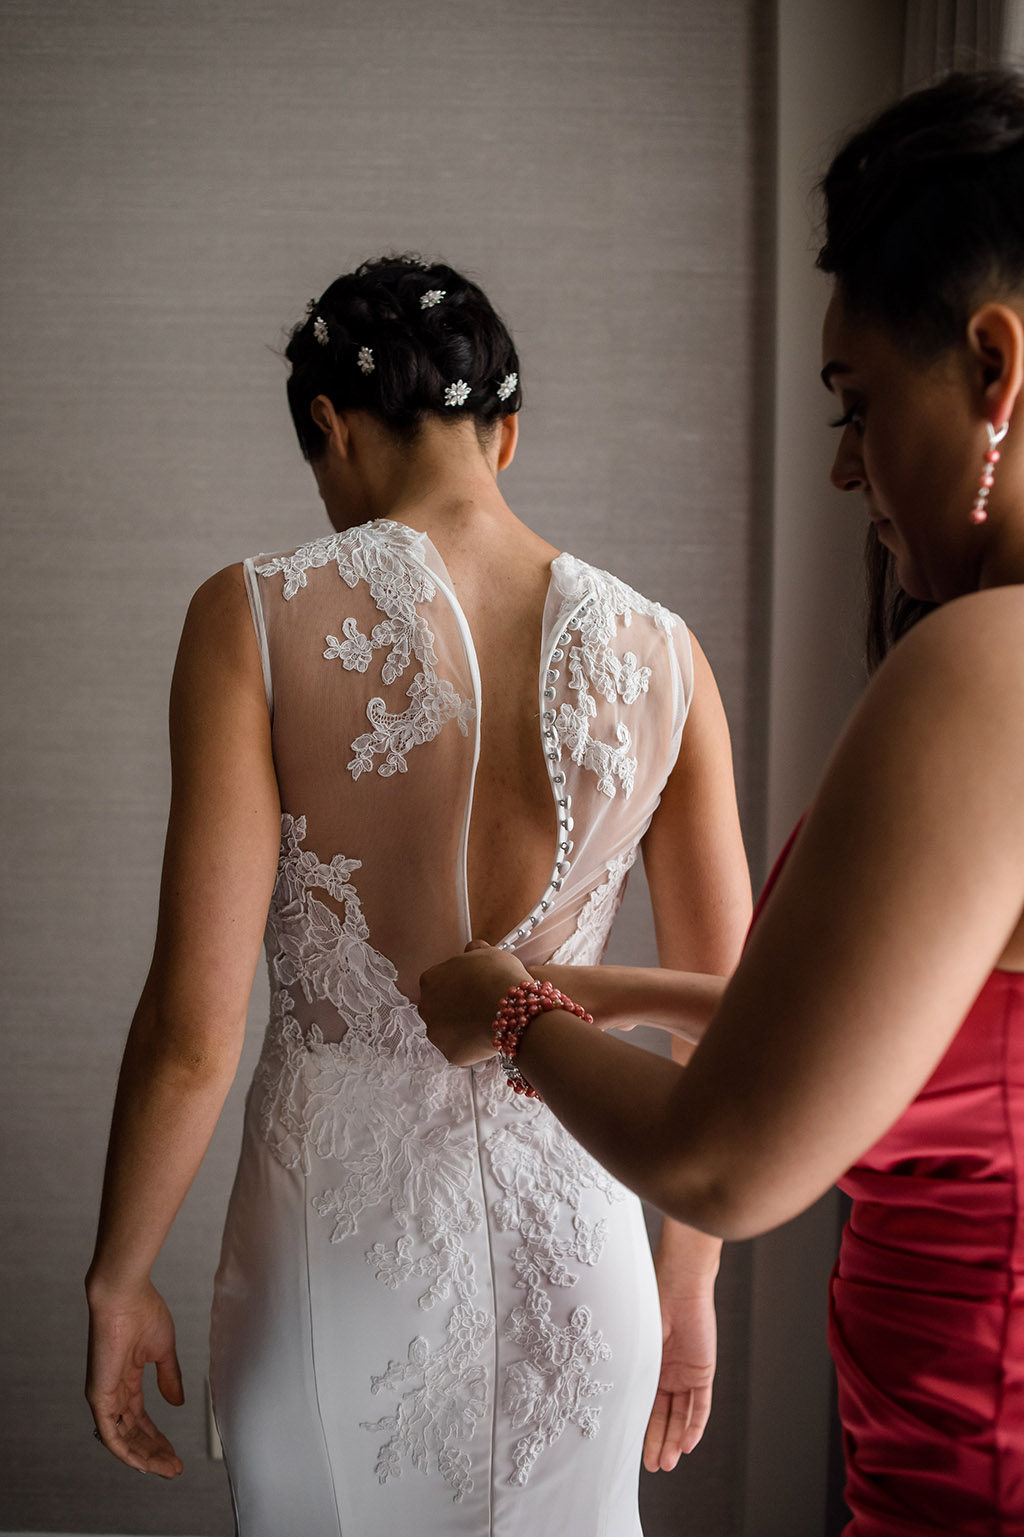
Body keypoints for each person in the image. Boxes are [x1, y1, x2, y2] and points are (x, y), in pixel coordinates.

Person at [421, 70, 1024, 1536]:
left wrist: (511, 1005)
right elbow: (936, 1040)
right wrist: (617, 983)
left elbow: (726, 1159)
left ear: (994, 370)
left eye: (857, 402)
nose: (844, 466)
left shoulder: (987, 668)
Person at [84, 254, 752, 1535]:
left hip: (331, 1252)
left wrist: (122, 1271)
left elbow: (191, 1029)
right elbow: (728, 1014)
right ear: (505, 433)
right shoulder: (665, 654)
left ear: (330, 427)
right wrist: (687, 1280)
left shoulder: (255, 617)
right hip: (583, 1242)